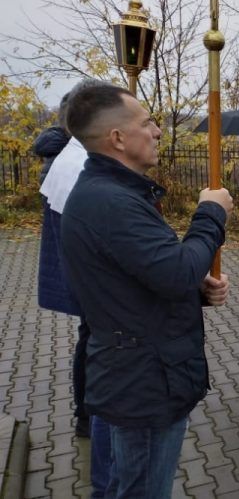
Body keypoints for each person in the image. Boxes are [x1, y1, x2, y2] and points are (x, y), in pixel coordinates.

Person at [60, 84, 233, 498]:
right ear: (117, 138)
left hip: (140, 371)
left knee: (130, 484)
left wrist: (194, 290)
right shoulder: (110, 202)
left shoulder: (112, 194)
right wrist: (211, 213)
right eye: (147, 123)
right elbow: (173, 271)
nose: (157, 131)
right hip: (145, 382)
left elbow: (139, 280)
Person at [36, 79, 110, 441]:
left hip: (81, 272)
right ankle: (87, 412)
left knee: (90, 336)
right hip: (88, 275)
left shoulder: (68, 155)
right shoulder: (72, 162)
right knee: (92, 339)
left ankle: (88, 410)